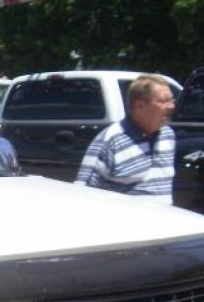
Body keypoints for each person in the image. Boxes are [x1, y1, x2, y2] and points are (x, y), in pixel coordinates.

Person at [75, 74, 177, 204]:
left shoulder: (168, 136)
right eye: (164, 101)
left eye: (172, 100)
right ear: (140, 106)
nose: (171, 106)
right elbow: (84, 194)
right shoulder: (111, 142)